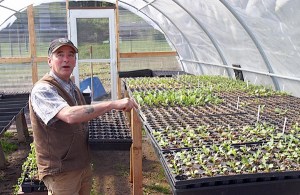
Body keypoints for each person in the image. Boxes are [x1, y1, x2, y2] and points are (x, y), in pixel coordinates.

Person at [29, 38, 138, 195]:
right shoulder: (43, 89)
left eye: (71, 54)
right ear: (49, 61)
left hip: (81, 162)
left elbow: (83, 116)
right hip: (61, 170)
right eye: (60, 54)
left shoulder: (70, 85)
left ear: (75, 61)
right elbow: (69, 115)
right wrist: (111, 104)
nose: (66, 59)